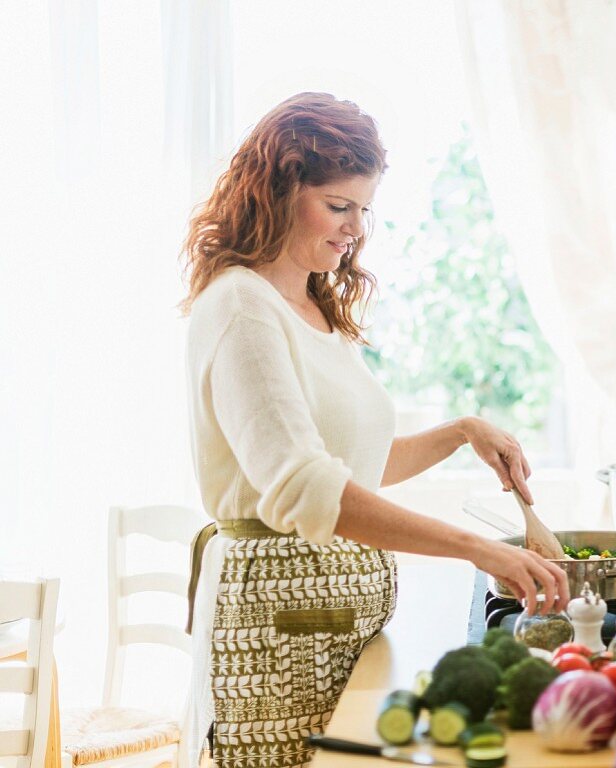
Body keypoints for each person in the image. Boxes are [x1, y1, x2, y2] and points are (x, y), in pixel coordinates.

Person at [178, 92, 569, 768]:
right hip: (280, 638)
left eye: (365, 209)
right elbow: (306, 486)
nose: (356, 229)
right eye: (338, 206)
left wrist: (461, 431)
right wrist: (478, 548)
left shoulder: (310, 305)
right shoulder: (242, 307)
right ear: (277, 192)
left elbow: (352, 462)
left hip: (337, 629)